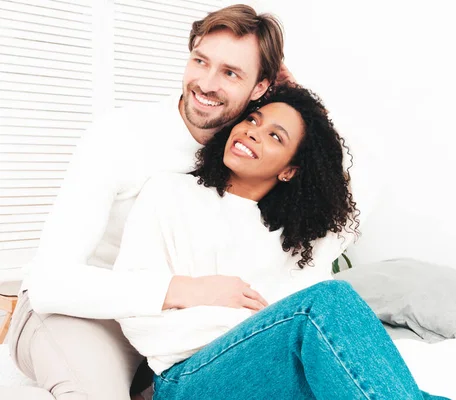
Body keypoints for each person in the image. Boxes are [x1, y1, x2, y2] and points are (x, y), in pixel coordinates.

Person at [3, 5, 324, 400]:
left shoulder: (244, 146)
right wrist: (185, 290)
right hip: (83, 311)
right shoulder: (120, 136)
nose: (206, 84)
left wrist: (300, 95)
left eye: (231, 73)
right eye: (200, 61)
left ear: (260, 88)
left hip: (177, 329)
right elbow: (50, 282)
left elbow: (340, 178)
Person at [113, 83, 447, 400]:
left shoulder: (302, 237)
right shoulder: (169, 194)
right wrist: (261, 323)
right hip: (187, 380)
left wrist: (307, 100)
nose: (252, 132)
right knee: (324, 303)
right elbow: (134, 310)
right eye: (252, 119)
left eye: (275, 136)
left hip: (274, 373)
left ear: (290, 170)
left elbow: (367, 173)